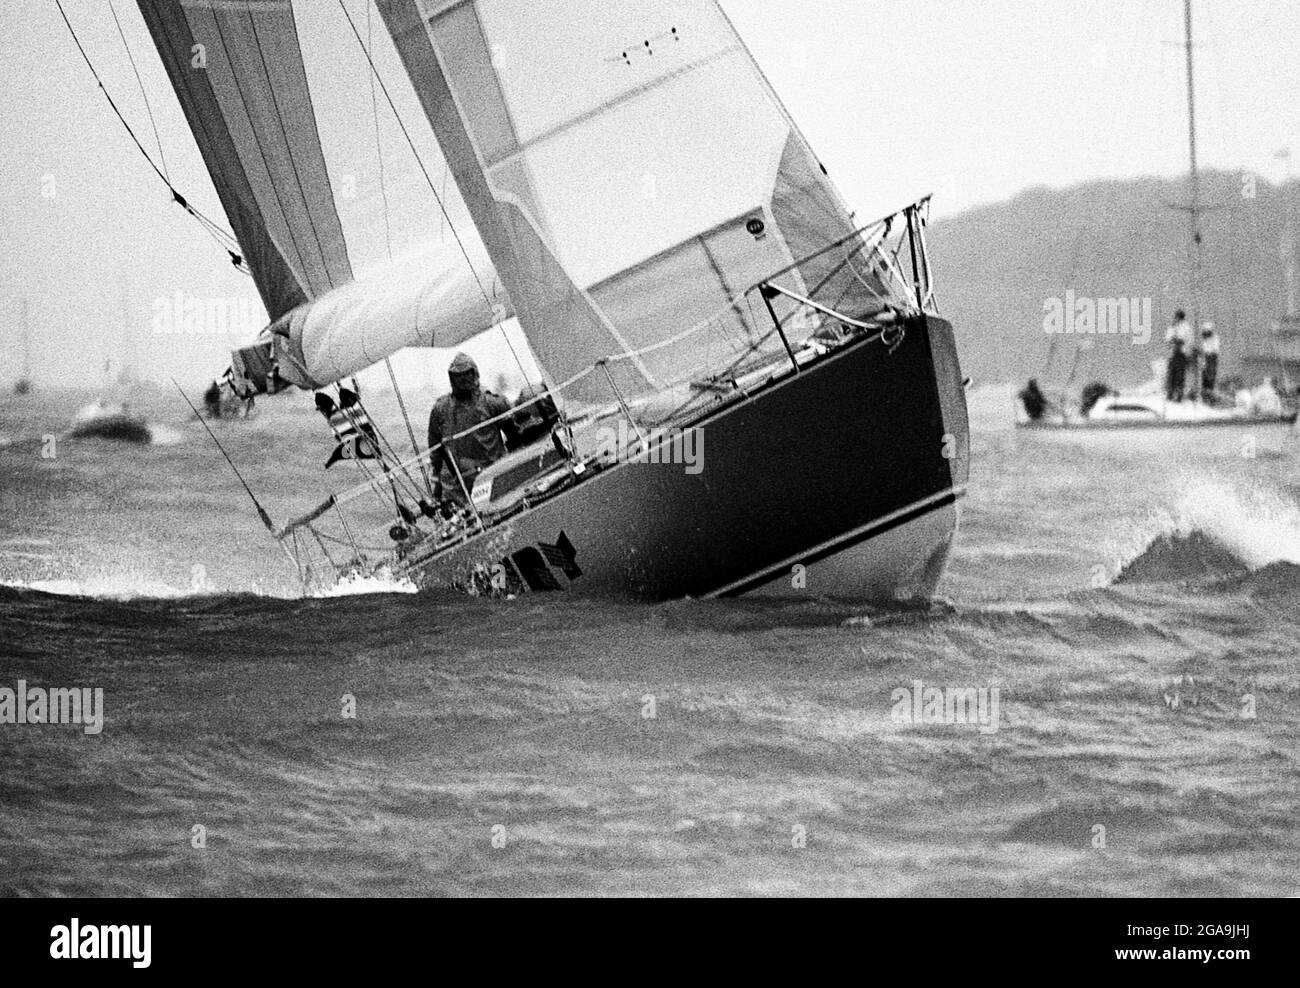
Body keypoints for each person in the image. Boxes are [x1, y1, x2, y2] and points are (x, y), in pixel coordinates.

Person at [427, 353, 513, 503]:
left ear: (475, 373)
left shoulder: (493, 403)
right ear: (452, 378)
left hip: (492, 475)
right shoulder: (440, 409)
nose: (464, 378)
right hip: (458, 485)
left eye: (467, 373)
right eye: (458, 375)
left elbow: (515, 437)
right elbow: (435, 452)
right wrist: (436, 492)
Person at [1164, 309, 1192, 401]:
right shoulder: (1173, 326)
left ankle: (1178, 395)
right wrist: (1172, 338)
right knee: (1171, 374)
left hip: (1182, 354)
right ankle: (1170, 393)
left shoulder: (1185, 327)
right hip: (1173, 353)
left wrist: (1175, 339)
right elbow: (1168, 338)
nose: (1175, 318)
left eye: (1176, 317)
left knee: (1179, 375)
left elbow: (1184, 339)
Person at [1197, 322, 1221, 399]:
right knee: (1204, 377)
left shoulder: (1215, 339)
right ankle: (1205, 393)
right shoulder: (1205, 340)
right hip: (1206, 360)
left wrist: (1203, 353)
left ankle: (1209, 394)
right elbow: (1204, 350)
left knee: (1210, 377)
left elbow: (1212, 351)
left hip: (1211, 360)